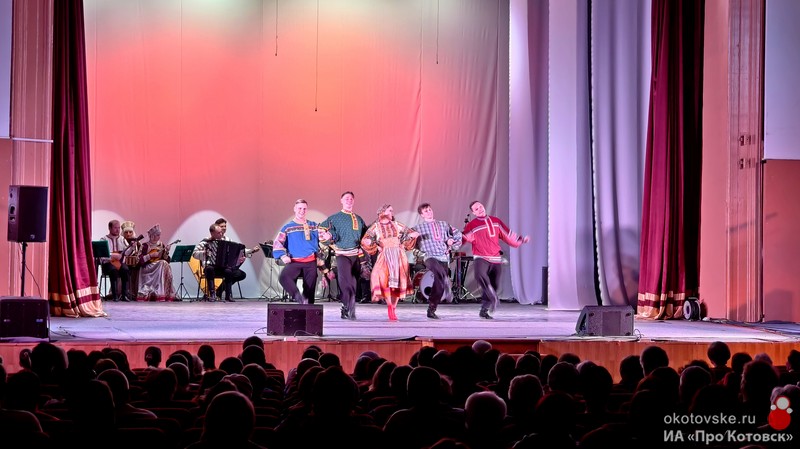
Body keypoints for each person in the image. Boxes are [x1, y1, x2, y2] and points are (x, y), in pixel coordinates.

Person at [461, 201, 529, 319]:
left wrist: (520, 240)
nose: (480, 209)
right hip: (481, 257)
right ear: (473, 213)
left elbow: (507, 234)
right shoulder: (472, 225)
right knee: (480, 275)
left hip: (495, 258)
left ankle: (484, 310)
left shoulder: (496, 221)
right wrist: (450, 244)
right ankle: (492, 296)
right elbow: (463, 237)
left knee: (495, 285)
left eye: (480, 206)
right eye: (476, 209)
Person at [361, 204, 419, 321]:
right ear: (383, 212)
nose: (392, 212)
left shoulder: (397, 224)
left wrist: (409, 238)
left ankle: (394, 307)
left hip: (398, 255)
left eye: (392, 211)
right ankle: (389, 306)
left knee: (398, 282)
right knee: (384, 280)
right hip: (385, 255)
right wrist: (375, 245)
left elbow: (409, 234)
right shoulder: (376, 226)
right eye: (389, 210)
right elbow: (365, 239)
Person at [319, 191, 368, 320]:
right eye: (346, 198)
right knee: (345, 281)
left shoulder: (358, 219)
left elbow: (366, 236)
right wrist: (328, 238)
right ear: (341, 201)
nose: (349, 200)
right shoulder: (334, 218)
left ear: (354, 201)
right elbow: (321, 231)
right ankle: (347, 307)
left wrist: (369, 242)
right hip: (342, 254)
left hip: (356, 255)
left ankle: (347, 307)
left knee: (353, 283)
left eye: (351, 198)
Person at [412, 203, 462, 319]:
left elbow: (457, 234)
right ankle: (446, 280)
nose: (429, 212)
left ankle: (431, 309)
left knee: (439, 285)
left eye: (430, 210)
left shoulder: (444, 224)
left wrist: (451, 241)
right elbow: (407, 240)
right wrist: (412, 236)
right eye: (426, 211)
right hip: (429, 256)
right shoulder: (418, 228)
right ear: (421, 215)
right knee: (437, 270)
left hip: (443, 256)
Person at [272, 199, 327, 304]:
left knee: (309, 291)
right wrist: (283, 256)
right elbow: (278, 242)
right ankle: (298, 297)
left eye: (304, 209)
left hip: (310, 262)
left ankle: (308, 309)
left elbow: (324, 237)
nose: (302, 211)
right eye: (300, 208)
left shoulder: (314, 226)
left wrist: (328, 235)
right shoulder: (288, 227)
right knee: (284, 277)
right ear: (294, 209)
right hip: (295, 261)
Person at [193, 224, 246, 302]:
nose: (221, 234)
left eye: (221, 232)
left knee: (228, 271)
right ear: (212, 233)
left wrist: (240, 258)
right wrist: (204, 253)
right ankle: (212, 295)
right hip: (211, 267)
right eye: (218, 233)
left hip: (223, 267)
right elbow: (194, 254)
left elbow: (236, 252)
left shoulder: (227, 241)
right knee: (209, 269)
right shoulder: (205, 242)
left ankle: (227, 296)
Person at [136, 224, 177, 301]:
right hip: (148, 267)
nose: (159, 237)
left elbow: (166, 260)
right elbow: (138, 261)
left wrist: (167, 251)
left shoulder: (161, 245)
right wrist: (150, 256)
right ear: (152, 236)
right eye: (157, 235)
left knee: (163, 263)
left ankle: (165, 292)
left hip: (158, 267)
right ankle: (158, 291)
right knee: (162, 263)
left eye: (159, 235)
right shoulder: (145, 246)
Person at [99, 219, 132, 301]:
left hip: (119, 263)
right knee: (113, 270)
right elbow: (102, 255)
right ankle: (115, 296)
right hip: (108, 263)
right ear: (109, 228)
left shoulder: (122, 239)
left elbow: (127, 253)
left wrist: (132, 247)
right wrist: (113, 256)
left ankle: (124, 295)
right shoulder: (103, 239)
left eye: (118, 228)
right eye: (115, 228)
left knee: (125, 269)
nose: (118, 230)